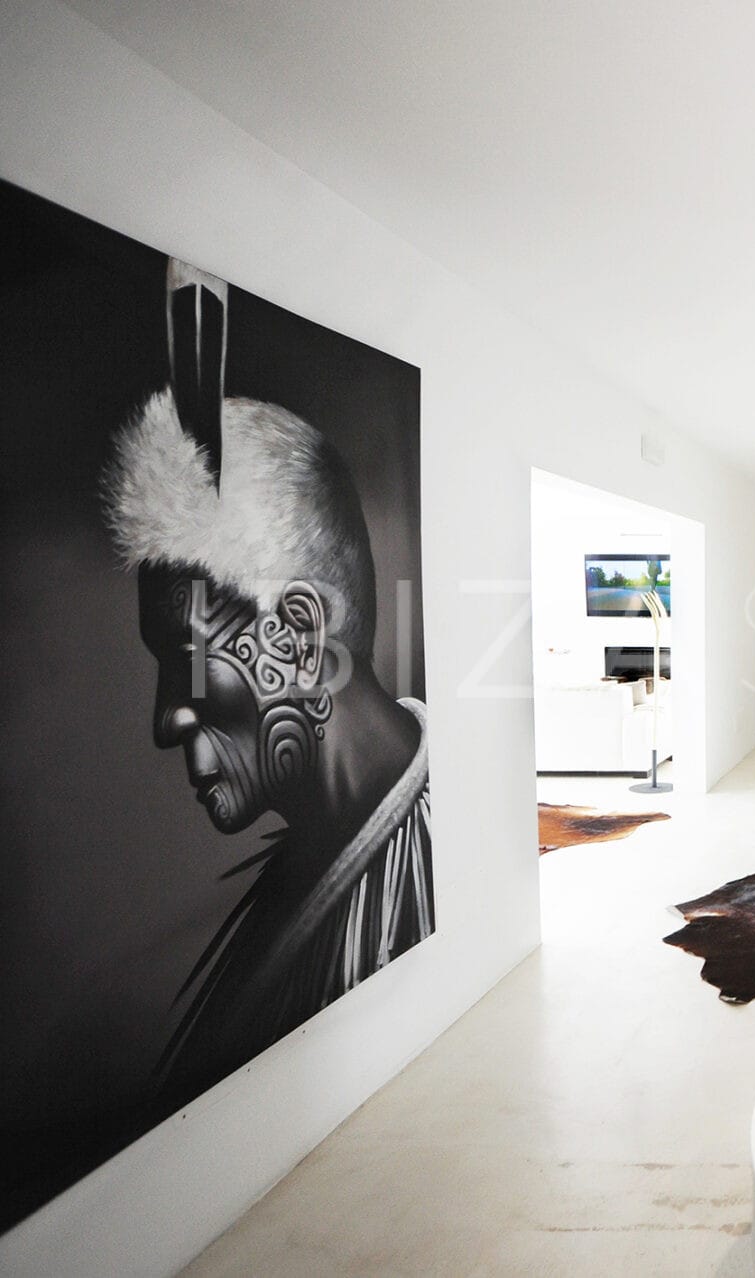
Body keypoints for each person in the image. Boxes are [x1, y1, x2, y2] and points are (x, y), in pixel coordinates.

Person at [101, 262, 431, 1094]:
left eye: (187, 661)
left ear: (303, 640)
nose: (166, 721)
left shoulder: (415, 878)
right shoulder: (328, 872)